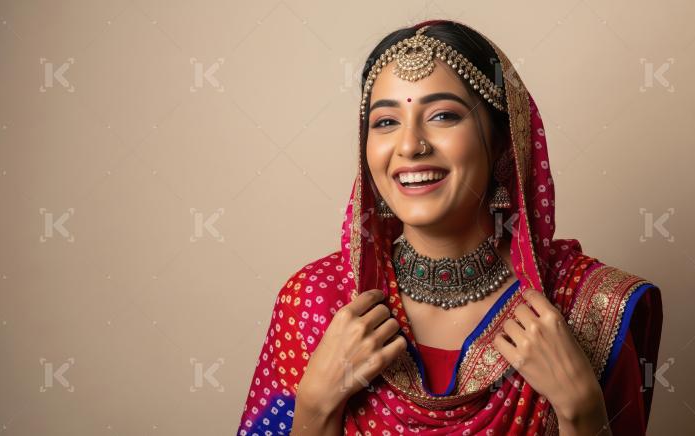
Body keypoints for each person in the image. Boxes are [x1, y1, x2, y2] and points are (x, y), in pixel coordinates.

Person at [236, 19, 663, 436]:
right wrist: (314, 406)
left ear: (502, 140)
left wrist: (582, 411)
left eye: (442, 116)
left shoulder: (586, 307)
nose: (409, 145)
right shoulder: (317, 303)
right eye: (385, 122)